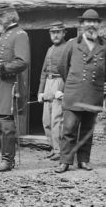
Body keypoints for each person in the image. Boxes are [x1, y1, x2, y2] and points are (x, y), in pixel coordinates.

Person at [56, 9, 106, 173]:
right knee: (69, 129)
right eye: (88, 22)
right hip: (74, 93)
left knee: (87, 130)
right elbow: (62, 67)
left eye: (94, 22)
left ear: (99, 25)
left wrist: (94, 84)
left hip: (93, 93)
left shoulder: (105, 45)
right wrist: (74, 82)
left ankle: (83, 160)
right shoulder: (72, 43)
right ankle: (65, 161)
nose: (91, 25)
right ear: (82, 25)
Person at [0, 5, 30, 172]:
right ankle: (5, 158)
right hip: (1, 84)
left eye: (1, 16)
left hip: (11, 84)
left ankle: (7, 161)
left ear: (11, 17)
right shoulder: (4, 35)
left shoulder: (20, 35)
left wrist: (1, 69)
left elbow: (22, 61)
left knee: (6, 123)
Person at [36, 21, 67, 162]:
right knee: (46, 119)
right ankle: (52, 147)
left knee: (56, 118)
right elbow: (43, 72)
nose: (55, 35)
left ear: (63, 33)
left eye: (58, 32)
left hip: (60, 81)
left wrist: (62, 90)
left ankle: (59, 150)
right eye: (52, 32)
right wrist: (40, 92)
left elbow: (70, 72)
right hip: (48, 83)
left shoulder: (67, 48)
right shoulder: (49, 49)